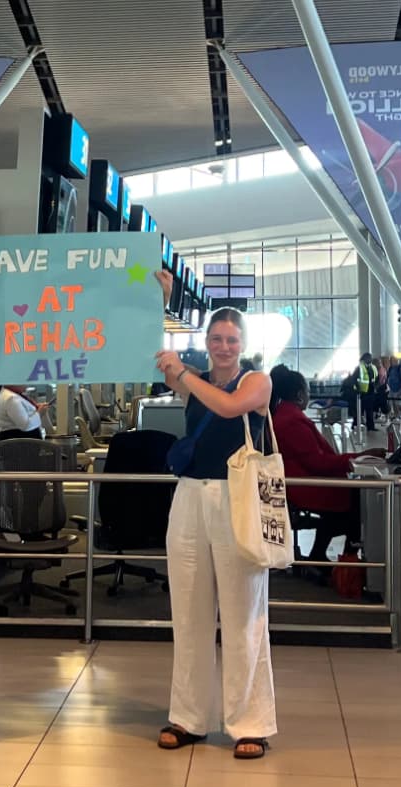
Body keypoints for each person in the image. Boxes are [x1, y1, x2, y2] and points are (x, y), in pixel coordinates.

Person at [152, 272, 277, 761]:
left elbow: (228, 409)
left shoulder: (257, 381)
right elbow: (163, 362)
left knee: (244, 611)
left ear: (243, 345)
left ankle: (251, 721)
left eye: (232, 340)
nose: (224, 346)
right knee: (188, 611)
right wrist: (161, 304)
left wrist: (184, 376)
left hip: (237, 497)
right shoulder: (194, 381)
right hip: (189, 497)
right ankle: (188, 717)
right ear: (206, 342)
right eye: (217, 339)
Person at [270, 365, 383, 571]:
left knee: (351, 505)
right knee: (358, 507)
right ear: (298, 394)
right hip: (305, 485)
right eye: (306, 390)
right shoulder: (292, 421)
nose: (308, 394)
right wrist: (358, 458)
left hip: (301, 481)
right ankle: (347, 565)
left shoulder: (284, 415)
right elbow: (317, 462)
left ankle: (322, 557)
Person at [351, 353, 378, 431]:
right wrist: (357, 389)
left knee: (370, 411)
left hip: (371, 392)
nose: (370, 359)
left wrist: (375, 386)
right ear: (364, 359)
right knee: (359, 411)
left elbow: (376, 378)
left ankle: (371, 427)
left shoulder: (373, 367)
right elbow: (353, 379)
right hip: (362, 393)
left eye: (370, 358)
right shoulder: (359, 368)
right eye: (368, 358)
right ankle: (355, 425)